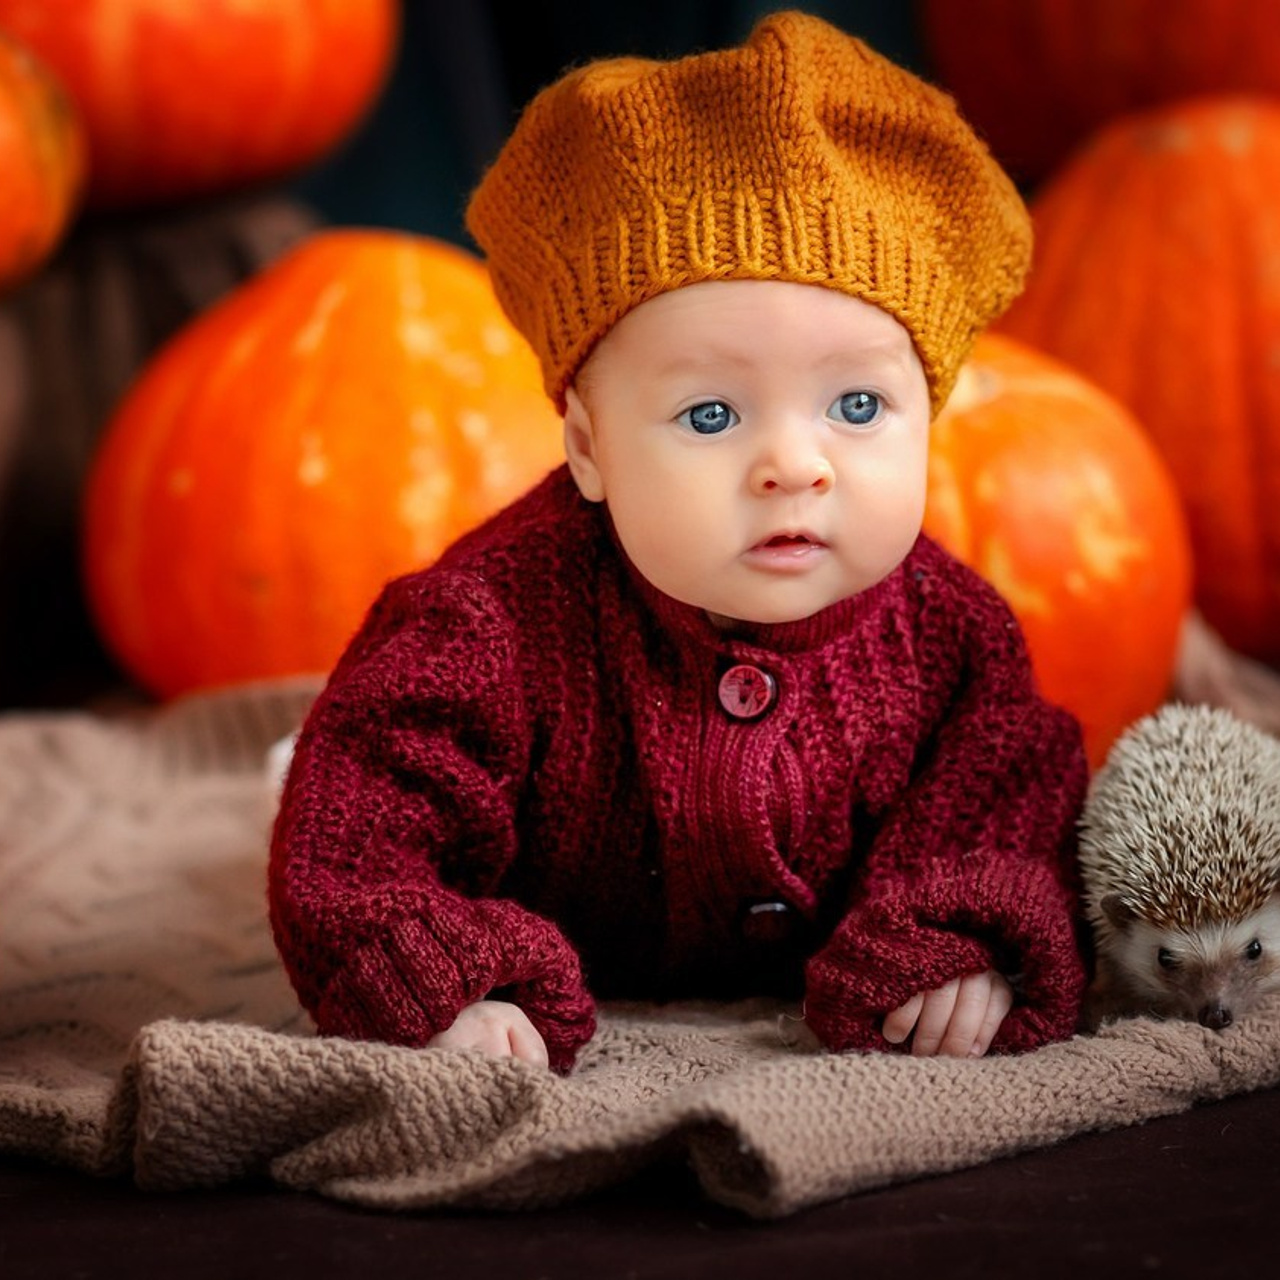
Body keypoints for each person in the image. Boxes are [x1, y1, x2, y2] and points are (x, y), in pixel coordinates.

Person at [268, 10, 1089, 1075]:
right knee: (335, 777)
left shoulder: (953, 638)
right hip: (547, 935)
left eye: (854, 404)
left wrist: (960, 940)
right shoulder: (486, 625)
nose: (794, 464)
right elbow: (354, 834)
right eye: (710, 416)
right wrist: (433, 971)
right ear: (587, 446)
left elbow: (1000, 802)